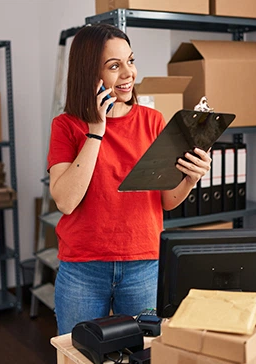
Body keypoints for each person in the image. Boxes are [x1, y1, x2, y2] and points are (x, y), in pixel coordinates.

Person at [47, 23, 211, 335]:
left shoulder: (153, 121)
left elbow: (166, 201)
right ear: (88, 74)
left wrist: (190, 178)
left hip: (143, 265)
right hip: (83, 268)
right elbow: (66, 202)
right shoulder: (66, 126)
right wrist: (97, 130)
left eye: (131, 61)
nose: (128, 74)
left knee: (143, 355)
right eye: (114, 66)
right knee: (80, 358)